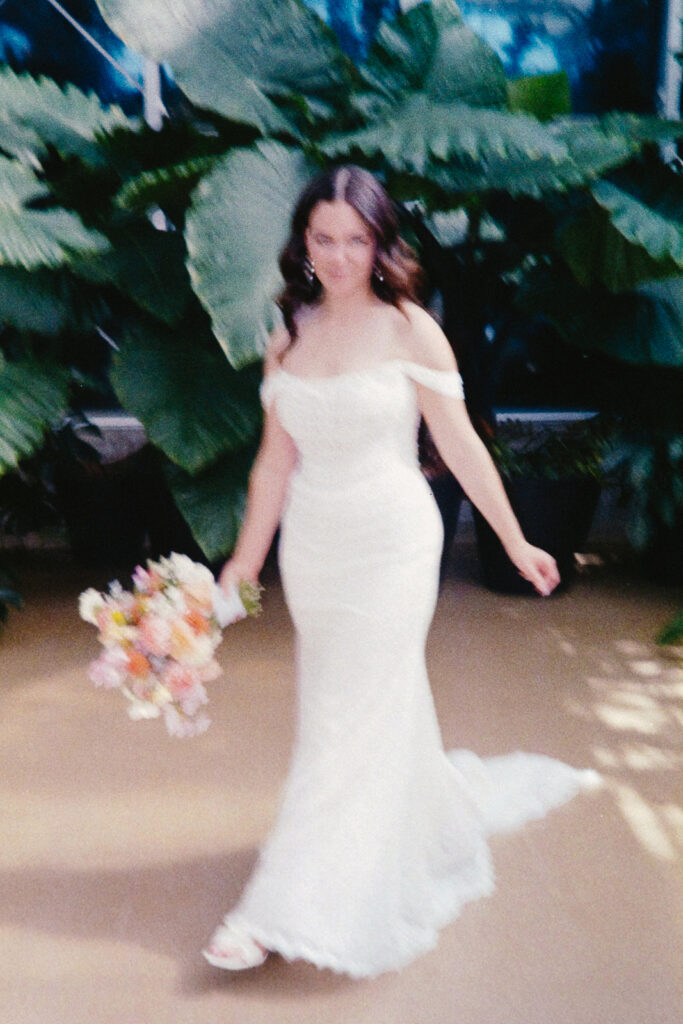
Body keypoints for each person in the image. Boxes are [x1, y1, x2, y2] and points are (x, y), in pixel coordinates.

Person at [203, 165, 598, 977]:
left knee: (353, 713)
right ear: (303, 244)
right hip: (315, 545)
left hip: (392, 543)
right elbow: (273, 466)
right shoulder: (290, 334)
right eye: (325, 239)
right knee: (337, 708)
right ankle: (401, 827)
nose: (341, 256)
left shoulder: (411, 328)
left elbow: (457, 445)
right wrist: (242, 566)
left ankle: (281, 907)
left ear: (381, 244)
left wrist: (516, 539)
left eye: (357, 239)